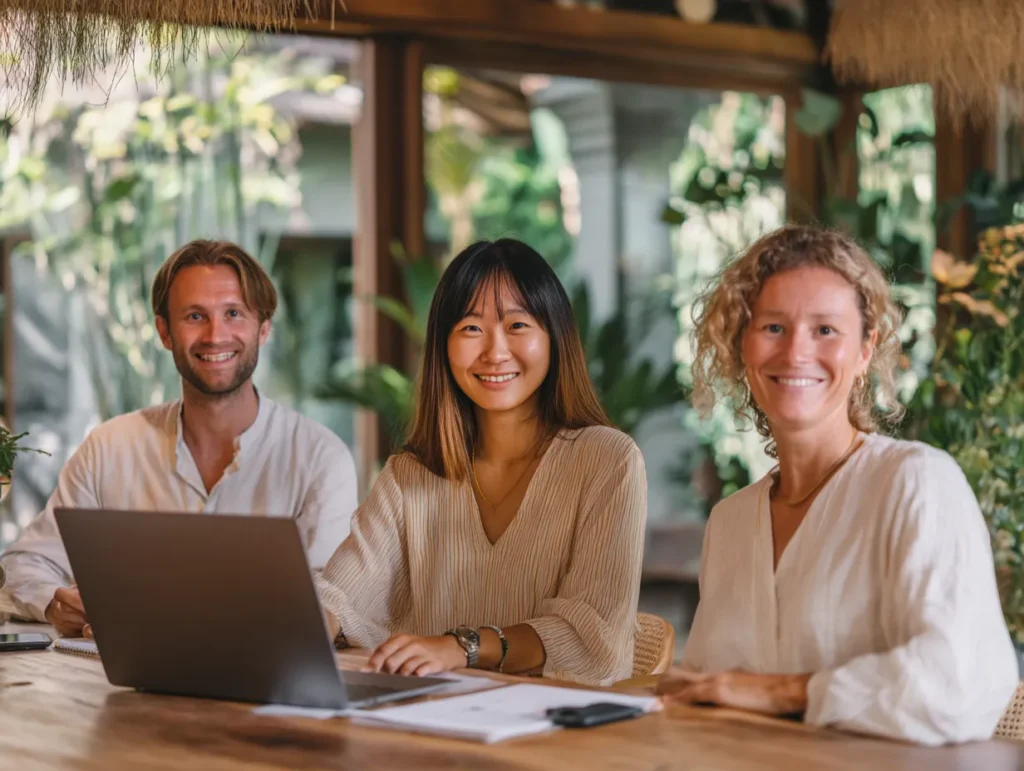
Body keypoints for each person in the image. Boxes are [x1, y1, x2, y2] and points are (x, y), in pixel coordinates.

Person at [656, 224, 1018, 745]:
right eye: (773, 327)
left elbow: (961, 684)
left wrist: (783, 692)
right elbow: (714, 693)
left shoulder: (917, 482)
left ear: (866, 350)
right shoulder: (730, 522)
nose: (796, 352)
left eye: (826, 329)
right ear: (741, 345)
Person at [315, 238, 647, 687]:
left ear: (554, 337)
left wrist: (461, 647)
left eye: (517, 325)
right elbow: (339, 595)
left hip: (552, 736)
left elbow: (591, 637)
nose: (494, 351)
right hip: (430, 728)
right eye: (471, 328)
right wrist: (304, 622)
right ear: (443, 347)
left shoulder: (608, 462)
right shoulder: (409, 475)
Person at [0, 239, 358, 637]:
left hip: (263, 684)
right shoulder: (108, 448)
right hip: (120, 685)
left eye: (234, 313)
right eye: (194, 316)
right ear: (164, 332)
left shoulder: (320, 458)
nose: (215, 335)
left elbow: (330, 599)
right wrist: (55, 604)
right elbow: (25, 564)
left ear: (264, 328)